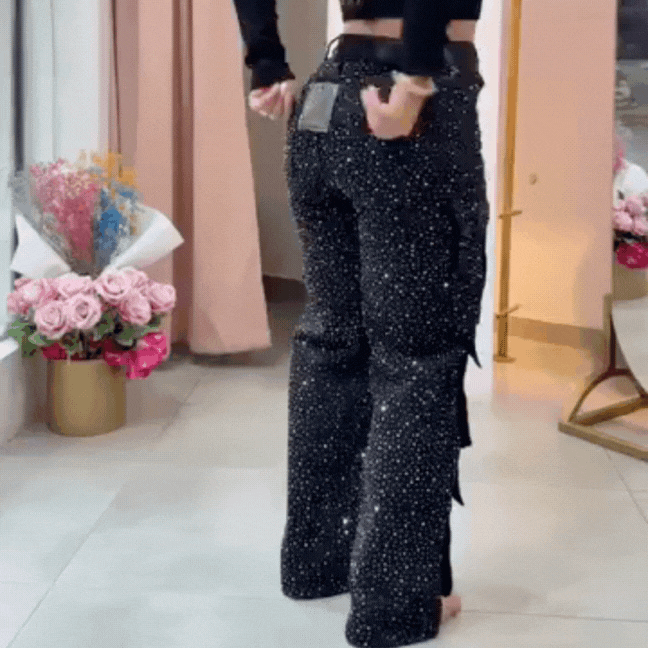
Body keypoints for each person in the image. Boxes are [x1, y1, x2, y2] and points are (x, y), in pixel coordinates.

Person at [231, 2, 488, 646]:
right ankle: (393, 606)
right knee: (416, 361)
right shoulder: (413, 90)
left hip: (326, 100)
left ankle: (318, 565)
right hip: (407, 107)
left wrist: (267, 60)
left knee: (332, 343)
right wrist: (415, 82)